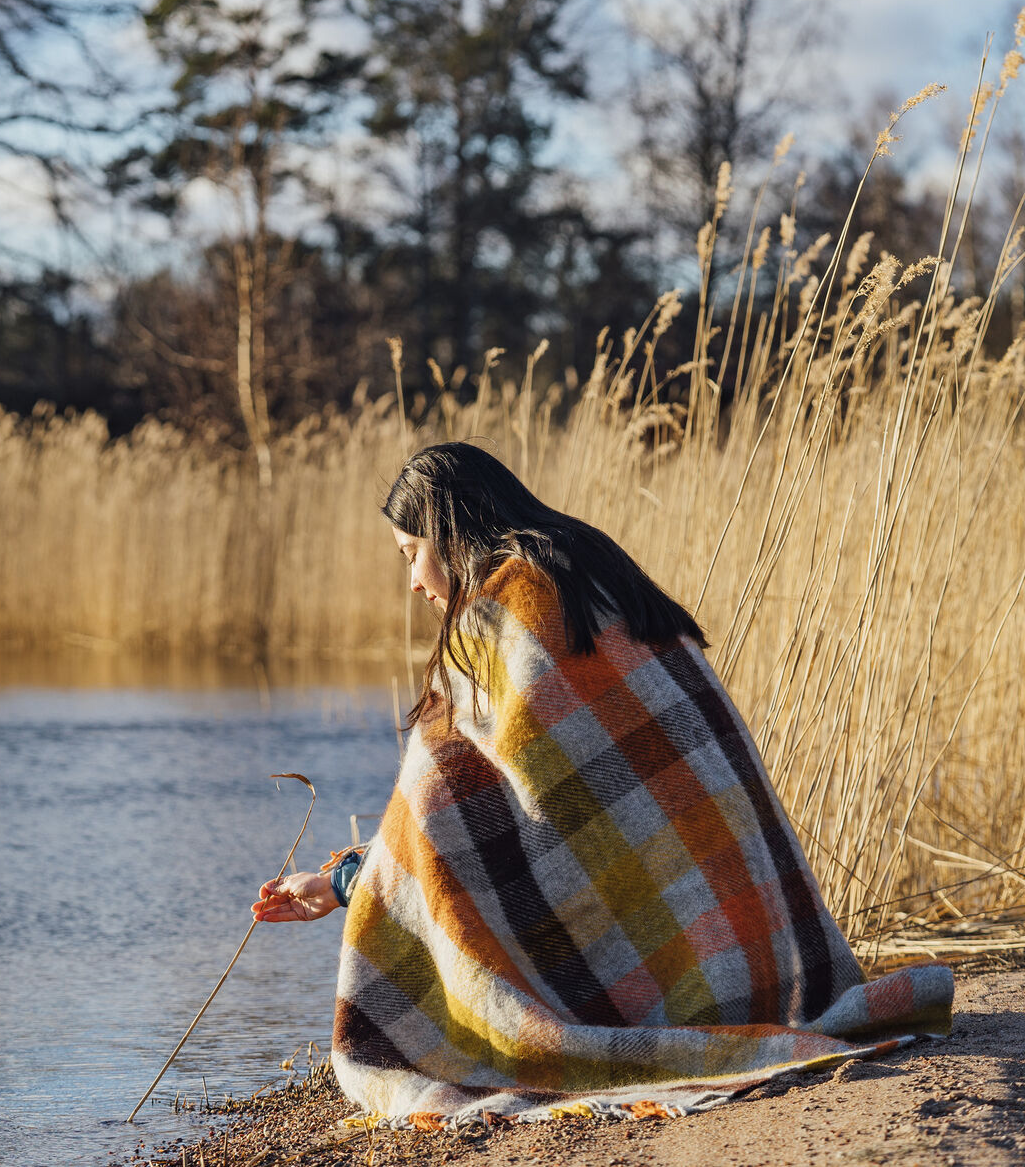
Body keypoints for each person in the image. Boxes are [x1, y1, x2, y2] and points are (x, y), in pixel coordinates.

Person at [253, 442, 952, 1130]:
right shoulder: (592, 568)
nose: (413, 581)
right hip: (776, 970)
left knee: (437, 774)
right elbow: (555, 805)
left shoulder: (503, 611)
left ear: (447, 533)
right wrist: (348, 874)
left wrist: (350, 884)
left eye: (410, 553)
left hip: (686, 1004)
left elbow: (447, 810)